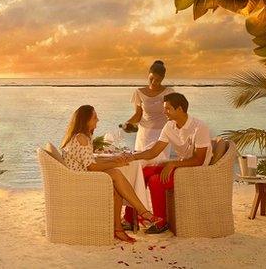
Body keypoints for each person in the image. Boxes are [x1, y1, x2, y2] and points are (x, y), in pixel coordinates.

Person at [61, 105, 156, 243]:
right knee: (116, 174)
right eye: (94, 117)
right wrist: (116, 163)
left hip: (79, 177)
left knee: (116, 182)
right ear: (85, 120)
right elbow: (92, 167)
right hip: (80, 182)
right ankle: (142, 212)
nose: (97, 120)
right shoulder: (82, 138)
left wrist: (112, 159)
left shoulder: (78, 136)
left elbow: (90, 160)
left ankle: (119, 228)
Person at [131, 92, 212, 234]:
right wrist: (132, 157)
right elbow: (153, 152)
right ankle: (131, 218)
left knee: (156, 181)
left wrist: (173, 164)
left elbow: (199, 160)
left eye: (168, 109)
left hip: (197, 170)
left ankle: (161, 222)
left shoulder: (199, 127)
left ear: (179, 109)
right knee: (143, 172)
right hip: (181, 165)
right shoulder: (169, 126)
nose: (164, 112)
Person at [121, 60, 171, 155]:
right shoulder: (139, 92)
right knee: (141, 163)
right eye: (151, 78)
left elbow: (173, 114)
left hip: (163, 134)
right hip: (144, 134)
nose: (153, 82)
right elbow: (138, 114)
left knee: (159, 163)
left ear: (163, 78)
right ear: (148, 74)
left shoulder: (169, 92)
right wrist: (128, 123)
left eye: (157, 80)